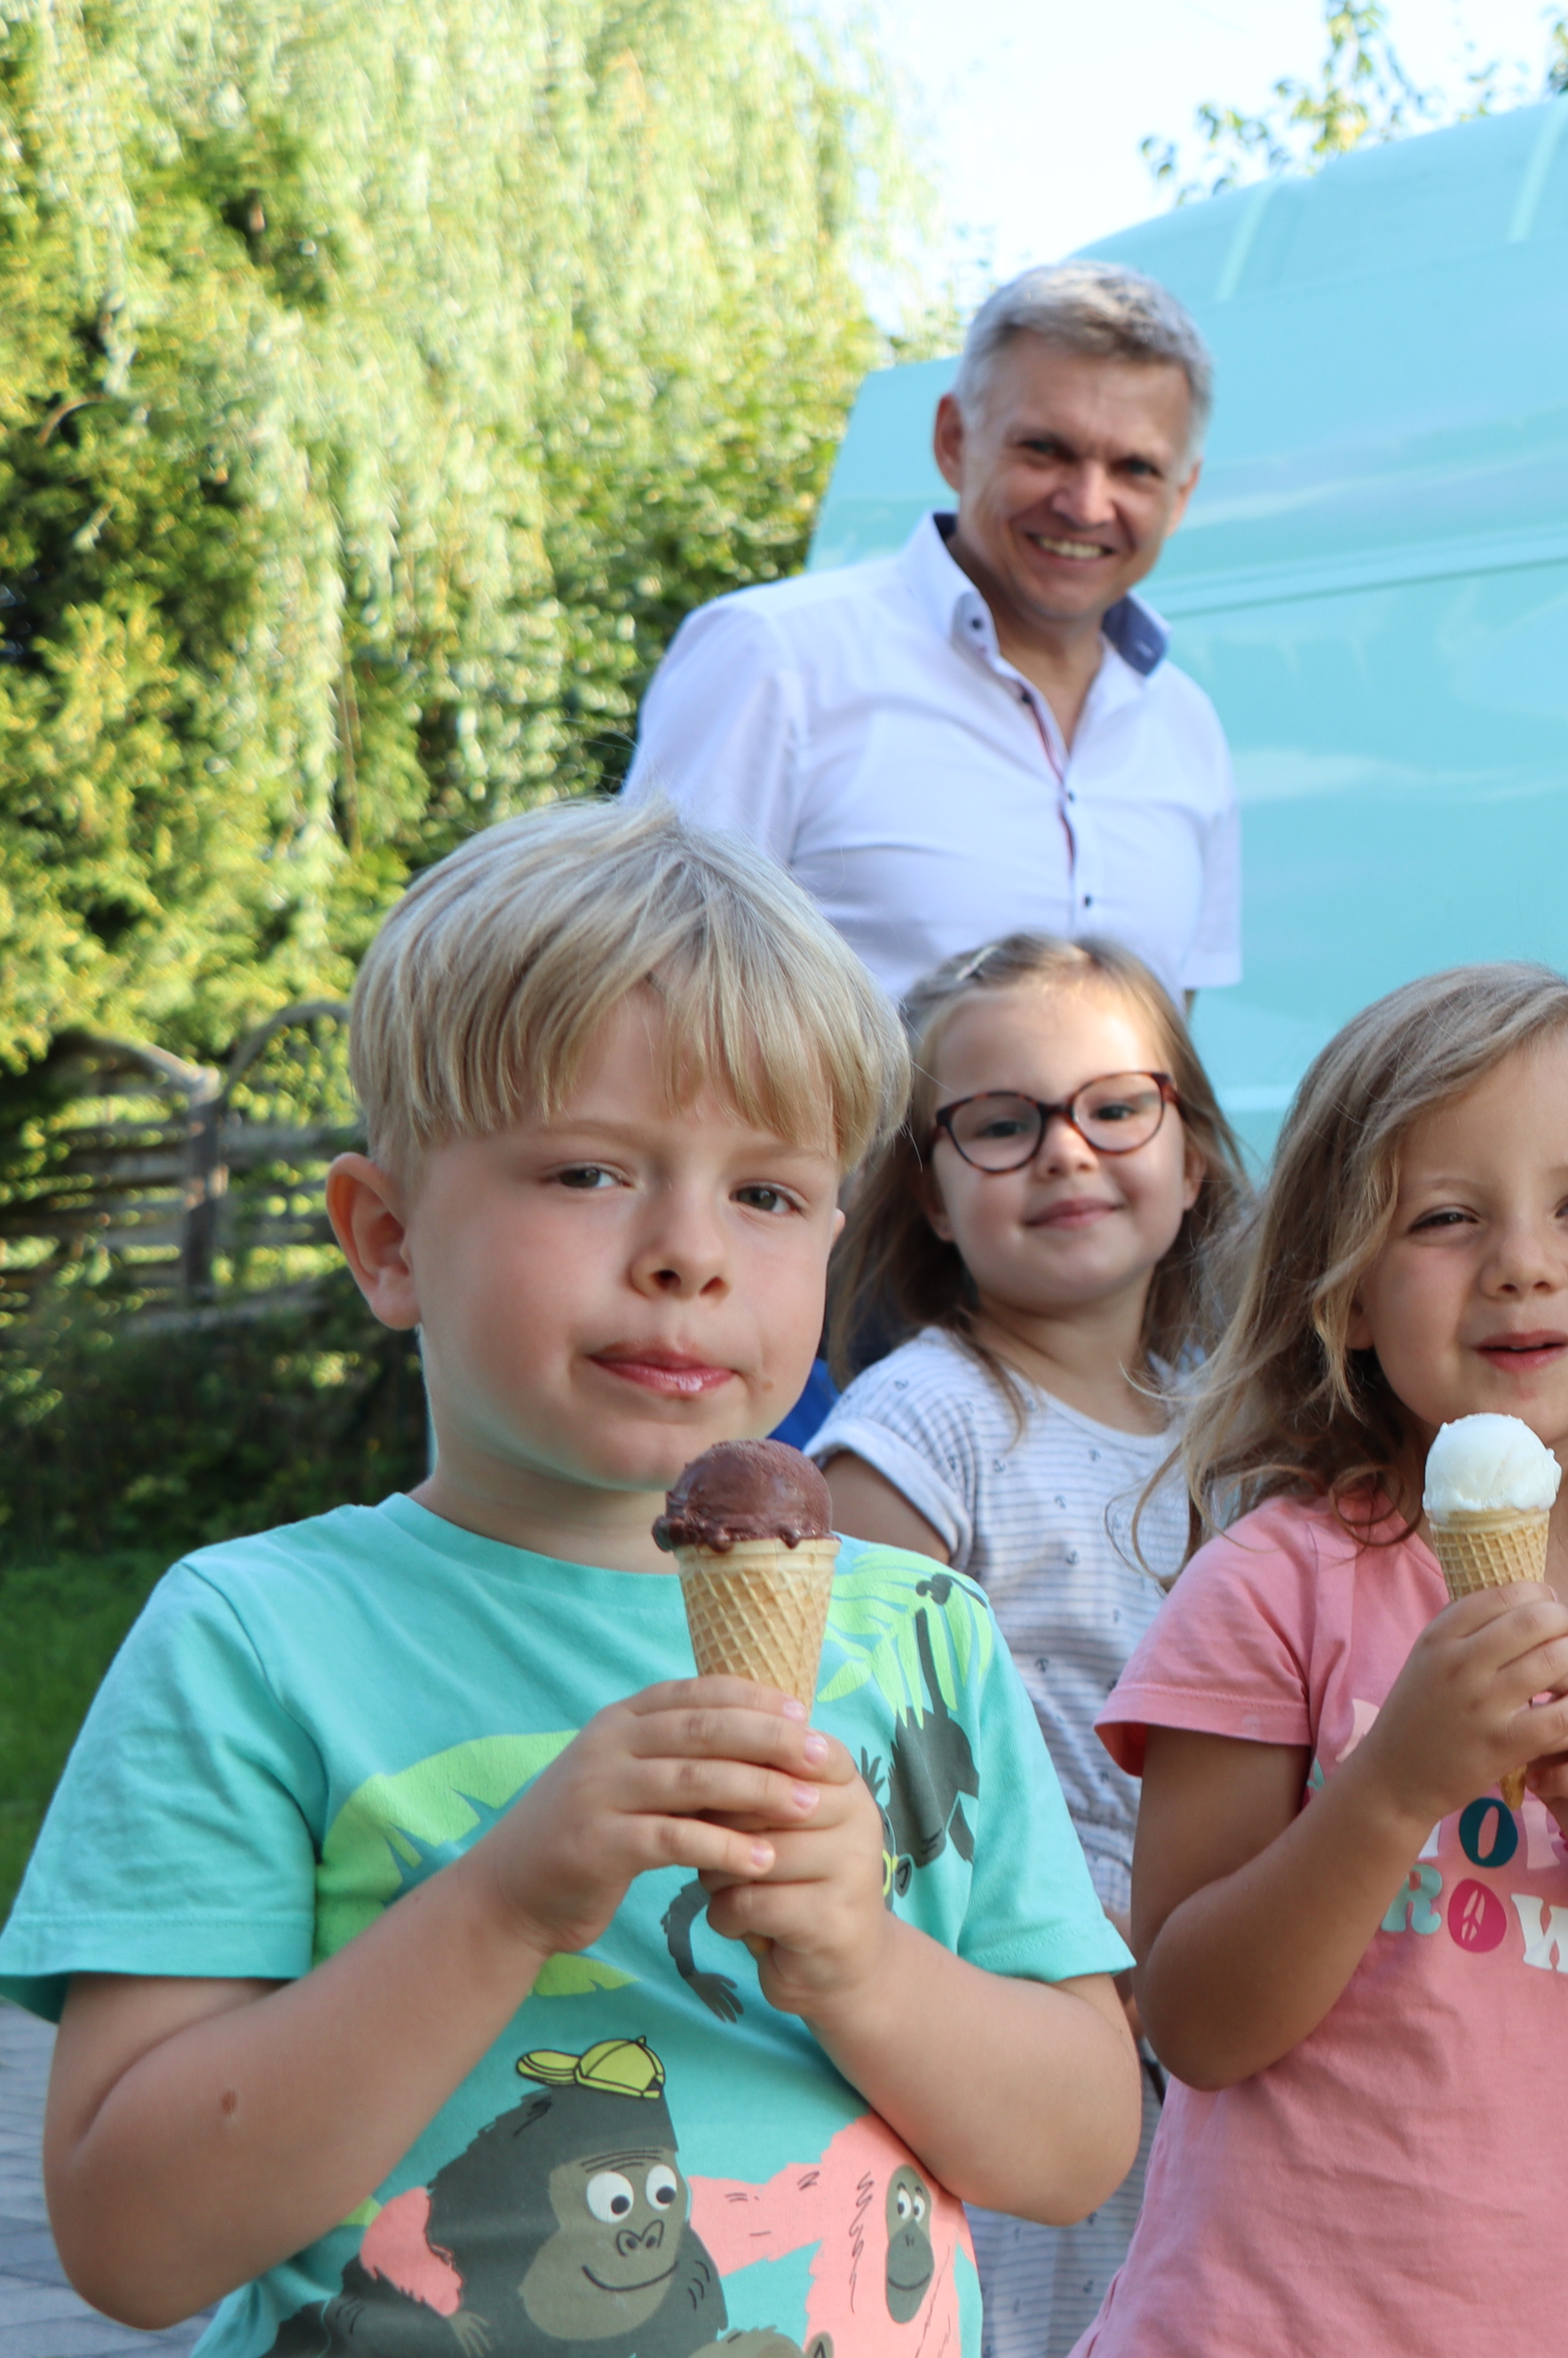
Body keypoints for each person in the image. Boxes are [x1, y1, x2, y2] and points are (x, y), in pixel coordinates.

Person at [0, 798, 1144, 2358]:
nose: (687, 1251)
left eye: (764, 1194)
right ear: (387, 1239)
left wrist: (862, 1961)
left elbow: (1076, 2150)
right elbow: (133, 2242)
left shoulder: (922, 1637)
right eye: (590, 1172)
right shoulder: (258, 1640)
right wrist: (501, 1901)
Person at [1087, 964, 1568, 2357]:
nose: (1522, 1263)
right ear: (1346, 1294)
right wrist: (1390, 1789)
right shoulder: (1274, 1584)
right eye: (1445, 1218)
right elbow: (1189, 2019)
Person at [809, 933, 1249, 2358]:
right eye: (1001, 1125)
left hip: (1203, 2010)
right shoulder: (922, 1424)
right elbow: (859, 1751)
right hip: (1011, 2001)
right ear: (929, 1196)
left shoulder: (1230, 1433)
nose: (1067, 1151)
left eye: (1117, 1108)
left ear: (1194, 1156)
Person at [625, 260, 1240, 1015]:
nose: (1086, 505)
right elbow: (650, 1000)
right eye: (1045, 450)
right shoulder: (774, 660)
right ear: (954, 439)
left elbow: (1169, 1046)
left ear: (1181, 495)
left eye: (1135, 468)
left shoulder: (1187, 728)